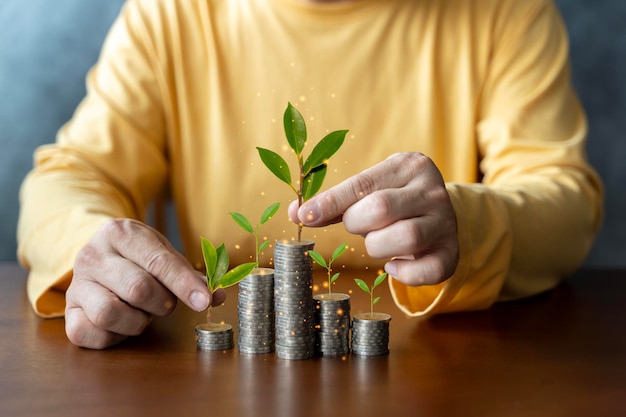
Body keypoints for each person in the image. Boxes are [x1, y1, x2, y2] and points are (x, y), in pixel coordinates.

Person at [17, 0, 603, 349]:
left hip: (435, 371)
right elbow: (70, 175)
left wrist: (467, 224)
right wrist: (87, 246)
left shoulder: (504, 12)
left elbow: (564, 197)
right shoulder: (171, 14)